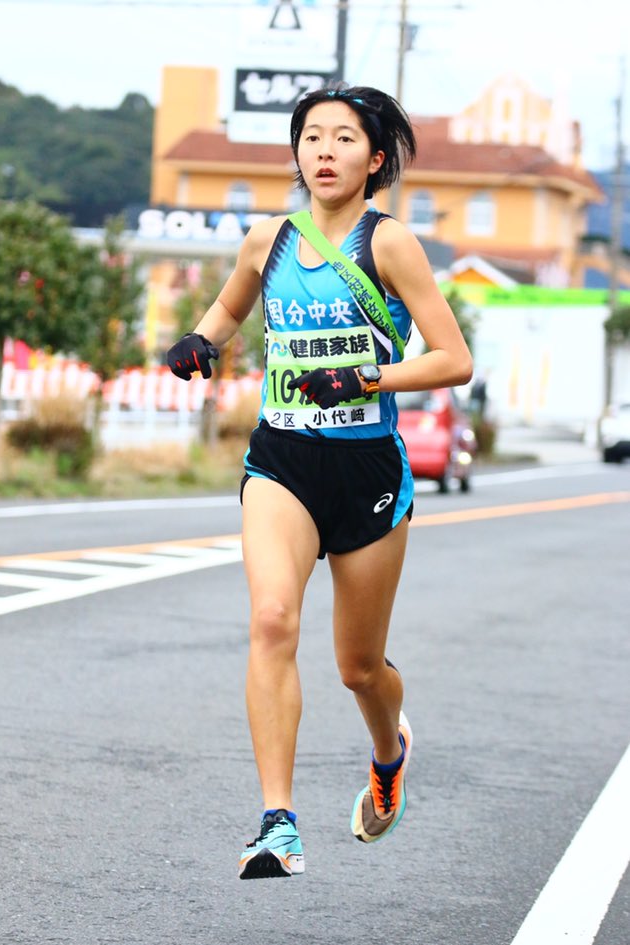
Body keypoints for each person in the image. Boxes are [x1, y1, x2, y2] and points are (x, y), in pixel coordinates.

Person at [166, 84, 473, 880]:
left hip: (366, 469)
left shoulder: (392, 244)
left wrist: (364, 378)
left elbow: (453, 359)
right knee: (271, 619)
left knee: (358, 668)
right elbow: (228, 311)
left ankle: (388, 748)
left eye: (343, 139)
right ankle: (279, 823)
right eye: (311, 137)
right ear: (297, 153)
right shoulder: (265, 240)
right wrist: (197, 342)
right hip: (283, 461)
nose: (324, 151)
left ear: (375, 161)